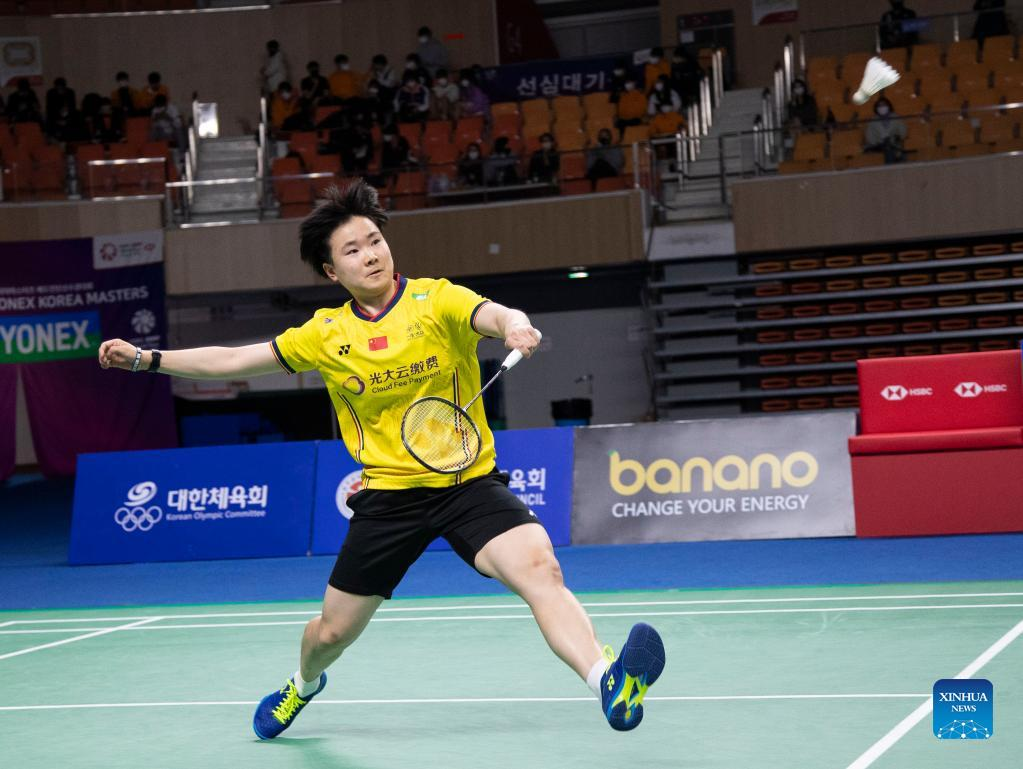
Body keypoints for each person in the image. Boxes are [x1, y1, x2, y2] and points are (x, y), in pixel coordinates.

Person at [95, 180, 666, 739]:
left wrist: (515, 324)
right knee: (330, 634)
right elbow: (234, 359)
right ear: (331, 271)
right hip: (388, 498)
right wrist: (148, 359)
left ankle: (607, 681)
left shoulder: (435, 300)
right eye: (352, 250)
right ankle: (303, 684)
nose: (370, 255)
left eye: (375, 240)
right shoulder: (326, 334)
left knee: (541, 570)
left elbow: (493, 314)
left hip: (467, 483)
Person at [864, 97, 907, 163]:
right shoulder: (873, 121)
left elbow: (903, 131)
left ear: (888, 106)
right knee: (888, 149)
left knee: (894, 149)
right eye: (879, 106)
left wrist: (897, 137)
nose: (882, 107)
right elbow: (869, 137)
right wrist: (879, 142)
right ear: (876, 108)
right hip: (879, 146)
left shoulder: (896, 117)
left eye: (884, 105)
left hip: (894, 143)